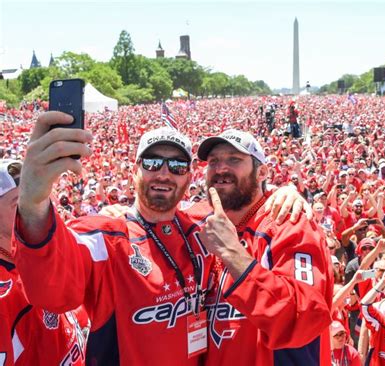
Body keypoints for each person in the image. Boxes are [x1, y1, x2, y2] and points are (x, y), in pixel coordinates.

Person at [12, 112, 310, 365]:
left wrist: (280, 193)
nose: (164, 174)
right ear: (135, 172)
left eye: (177, 166)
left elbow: (245, 208)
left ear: (190, 176)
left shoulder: (202, 229)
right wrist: (33, 205)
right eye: (153, 163)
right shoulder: (104, 237)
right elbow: (51, 289)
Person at [195, 129, 333, 365]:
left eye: (234, 159)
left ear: (262, 172)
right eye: (213, 161)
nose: (220, 169)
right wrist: (119, 215)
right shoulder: (199, 220)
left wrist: (232, 252)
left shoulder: (289, 222)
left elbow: (303, 316)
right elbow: (151, 217)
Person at [0, 159, 88, 366]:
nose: (34, 209)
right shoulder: (4, 297)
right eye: (20, 202)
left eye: (39, 197)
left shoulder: (51, 248)